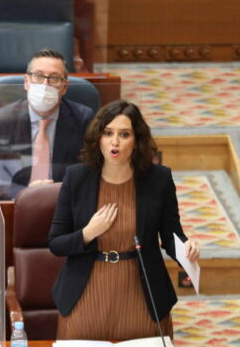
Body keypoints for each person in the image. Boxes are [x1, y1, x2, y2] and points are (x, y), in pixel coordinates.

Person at [48, 100, 201, 341]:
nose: (114, 142)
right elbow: (56, 243)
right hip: (86, 291)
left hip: (141, 290)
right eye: (108, 133)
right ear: (98, 137)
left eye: (124, 134)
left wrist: (187, 247)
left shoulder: (158, 179)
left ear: (137, 140)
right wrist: (88, 233)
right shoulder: (77, 177)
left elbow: (171, 235)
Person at [0, 48, 96, 199]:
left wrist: (57, 193)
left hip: (65, 202)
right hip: (17, 203)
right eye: (38, 76)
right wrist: (26, 194)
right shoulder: (3, 119)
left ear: (64, 87)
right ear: (26, 82)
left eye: (54, 78)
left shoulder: (83, 118)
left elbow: (90, 171)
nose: (45, 84)